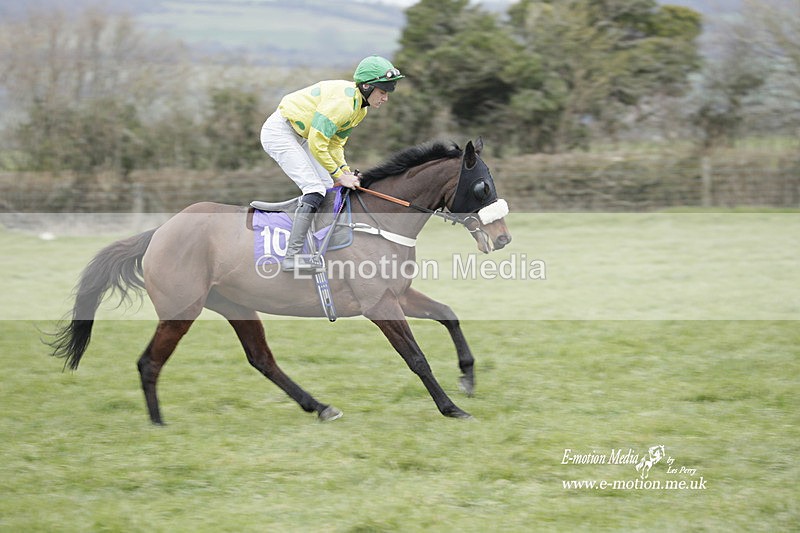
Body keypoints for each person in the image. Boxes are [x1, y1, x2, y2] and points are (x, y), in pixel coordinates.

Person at [261, 55, 404, 271]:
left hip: (303, 136)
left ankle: (317, 243)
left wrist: (346, 172)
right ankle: (291, 257)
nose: (385, 98)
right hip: (280, 133)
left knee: (328, 188)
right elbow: (319, 143)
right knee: (315, 189)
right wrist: (339, 175)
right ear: (366, 87)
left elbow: (335, 144)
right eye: (383, 92)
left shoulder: (360, 109)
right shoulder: (344, 104)